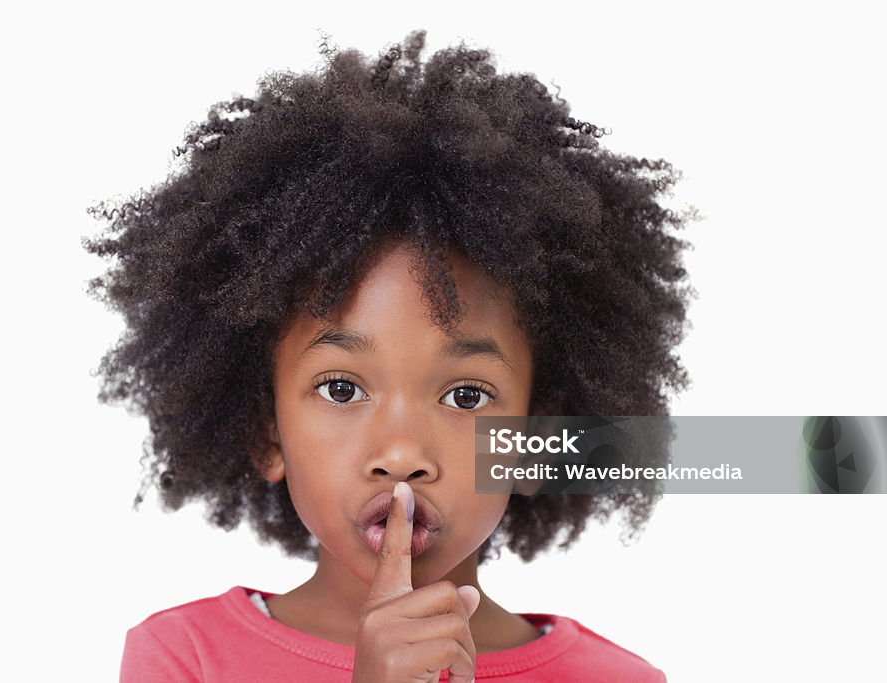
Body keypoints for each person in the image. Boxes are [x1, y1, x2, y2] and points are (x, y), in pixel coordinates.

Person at [86, 28, 692, 682]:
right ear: (267, 429)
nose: (402, 454)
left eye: (466, 394)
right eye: (342, 388)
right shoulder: (185, 657)